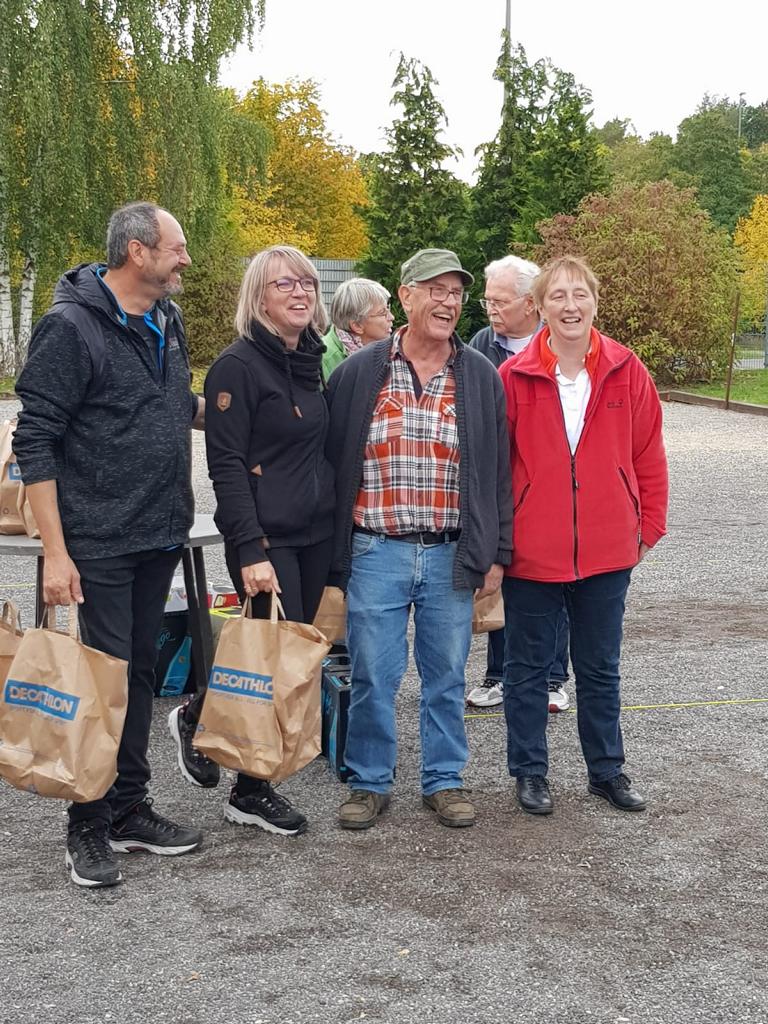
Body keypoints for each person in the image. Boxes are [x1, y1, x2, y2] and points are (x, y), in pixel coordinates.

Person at [14, 201, 205, 889]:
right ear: (136, 251)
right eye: (176, 248)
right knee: (101, 683)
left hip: (159, 533)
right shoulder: (69, 328)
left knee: (141, 675)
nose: (186, 259)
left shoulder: (166, 319)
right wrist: (58, 556)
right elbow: (33, 440)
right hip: (97, 541)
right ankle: (86, 825)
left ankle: (128, 808)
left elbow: (173, 407)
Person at [325, 248, 512, 831]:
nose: (448, 302)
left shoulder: (478, 375)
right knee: (374, 675)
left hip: (451, 552)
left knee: (446, 675)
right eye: (435, 290)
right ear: (405, 296)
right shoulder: (361, 372)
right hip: (375, 548)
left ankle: (444, 779)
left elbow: (500, 471)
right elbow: (330, 462)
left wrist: (497, 553)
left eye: (456, 293)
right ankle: (369, 781)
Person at [169, 245, 335, 838]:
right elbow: (228, 465)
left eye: (308, 284)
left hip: (316, 532)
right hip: (268, 537)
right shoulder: (236, 367)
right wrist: (249, 550)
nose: (300, 293)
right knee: (262, 663)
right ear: (258, 296)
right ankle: (236, 767)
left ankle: (230, 763)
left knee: (286, 660)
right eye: (285, 284)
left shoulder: (310, 361)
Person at [498, 256, 668, 816]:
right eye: (558, 296)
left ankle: (607, 771)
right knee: (526, 669)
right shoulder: (513, 376)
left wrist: (648, 527)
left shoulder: (626, 369)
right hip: (532, 551)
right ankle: (530, 772)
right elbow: (497, 468)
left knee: (599, 667)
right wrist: (502, 541)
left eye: (581, 295)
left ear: (595, 301)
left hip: (606, 550)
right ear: (539, 307)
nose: (570, 306)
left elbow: (648, 455)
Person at [467, 255, 570, 713]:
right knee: (497, 576)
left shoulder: (559, 346)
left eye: (500, 301)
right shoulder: (480, 344)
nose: (491, 309)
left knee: (556, 582)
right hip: (494, 484)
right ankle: (497, 674)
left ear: (530, 303)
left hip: (547, 487)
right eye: (487, 300)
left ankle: (552, 678)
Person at [322, 277, 394, 379]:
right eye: (382, 313)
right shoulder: (324, 360)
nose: (391, 317)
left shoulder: (387, 351)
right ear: (357, 326)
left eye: (388, 308)